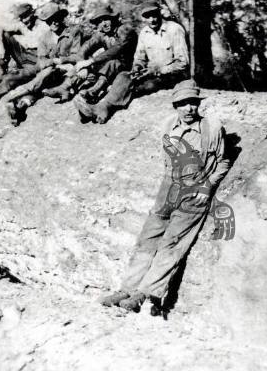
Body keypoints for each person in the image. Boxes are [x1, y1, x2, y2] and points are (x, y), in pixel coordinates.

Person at [99, 80, 231, 315]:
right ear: (175, 106)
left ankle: (145, 293)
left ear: (198, 105)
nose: (188, 108)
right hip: (168, 188)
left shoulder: (212, 129)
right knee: (148, 238)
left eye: (192, 103)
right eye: (182, 104)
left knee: (172, 243)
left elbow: (223, 161)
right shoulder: (169, 126)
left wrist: (207, 187)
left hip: (194, 191)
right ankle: (127, 288)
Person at [77, 2, 190, 124]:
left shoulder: (174, 29)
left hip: (173, 76)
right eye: (147, 16)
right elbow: (139, 57)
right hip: (153, 74)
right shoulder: (145, 32)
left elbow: (183, 63)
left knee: (135, 87)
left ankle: (104, 107)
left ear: (160, 13)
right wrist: (137, 67)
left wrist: (157, 70)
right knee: (124, 76)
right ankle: (100, 107)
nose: (152, 20)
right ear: (143, 18)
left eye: (154, 15)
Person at [71, 6, 137, 124]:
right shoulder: (101, 34)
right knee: (106, 64)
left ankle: (94, 91)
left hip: (130, 68)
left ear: (113, 18)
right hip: (112, 69)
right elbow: (85, 48)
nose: (104, 24)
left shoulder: (125, 30)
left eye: (106, 19)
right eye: (100, 21)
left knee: (112, 62)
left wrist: (91, 61)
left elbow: (118, 49)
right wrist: (84, 66)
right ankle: (87, 93)